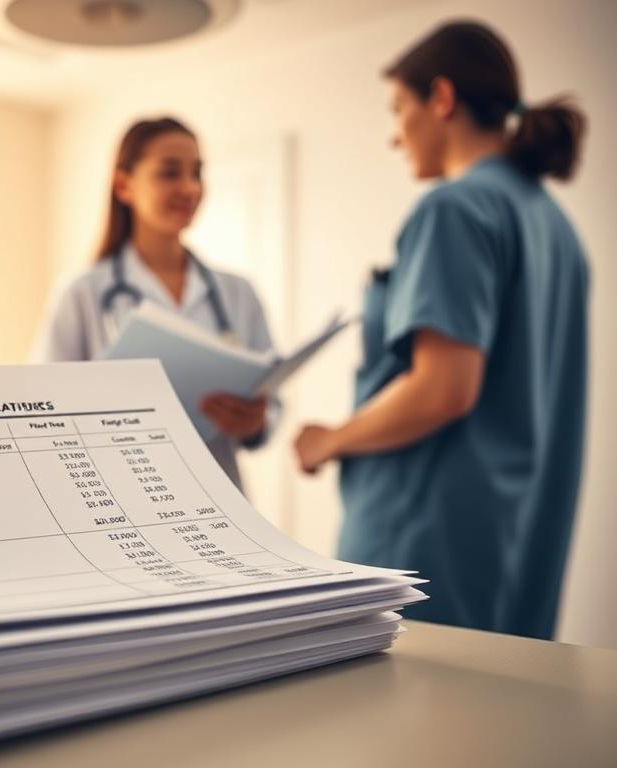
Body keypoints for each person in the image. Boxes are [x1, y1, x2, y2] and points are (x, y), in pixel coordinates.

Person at [293, 21, 588, 639]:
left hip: (426, 544)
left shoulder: (454, 209)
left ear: (443, 99)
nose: (395, 134)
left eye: (399, 107)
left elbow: (444, 388)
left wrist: (331, 440)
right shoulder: (557, 230)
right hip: (515, 544)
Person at [33, 117, 276, 491]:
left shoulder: (237, 292)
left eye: (197, 173)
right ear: (124, 185)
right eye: (169, 173)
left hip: (220, 494)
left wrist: (254, 422)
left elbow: (270, 402)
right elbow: (43, 410)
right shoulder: (82, 293)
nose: (190, 188)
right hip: (122, 493)